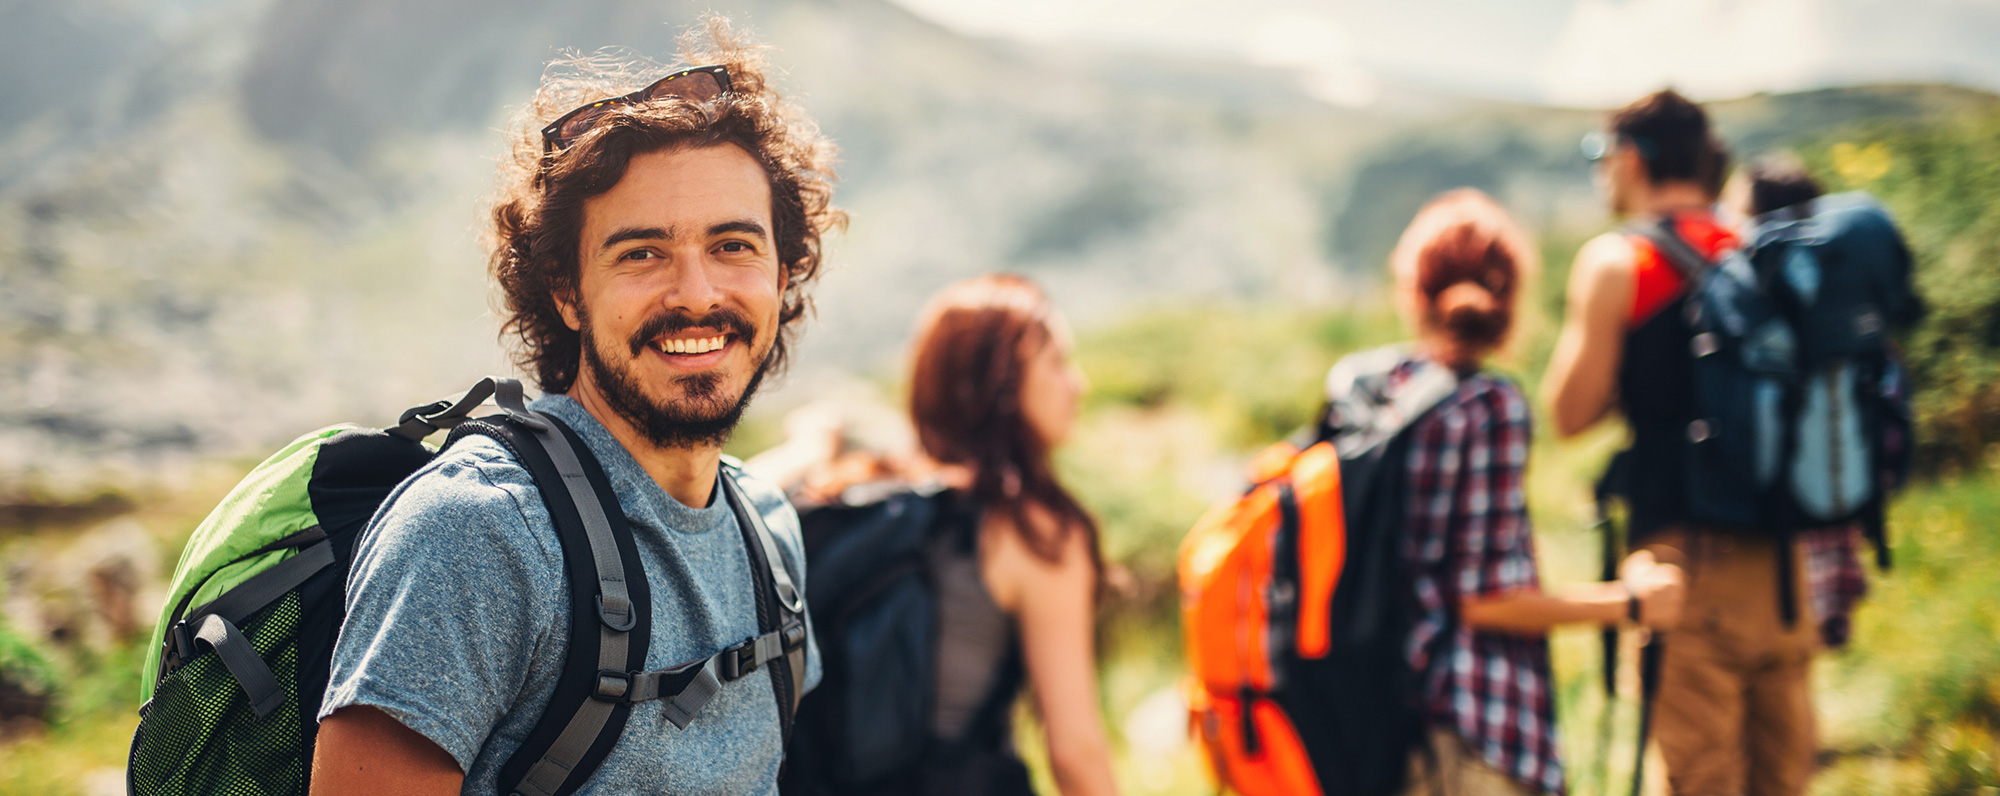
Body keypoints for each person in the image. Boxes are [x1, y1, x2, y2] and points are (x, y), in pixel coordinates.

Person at [310, 19, 843, 796]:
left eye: (734, 245)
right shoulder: (481, 533)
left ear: (784, 271)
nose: (697, 293)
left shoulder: (768, 533)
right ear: (567, 292)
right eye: (642, 253)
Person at [1544, 90, 1819, 796]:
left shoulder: (1621, 261)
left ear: (1632, 159)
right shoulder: (1761, 249)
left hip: (1684, 568)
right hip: (1787, 566)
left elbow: (1569, 412)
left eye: (1603, 158)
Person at [1374, 189, 1684, 796]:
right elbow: (1485, 601)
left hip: (1382, 720)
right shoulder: (1488, 407)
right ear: (1510, 295)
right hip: (1471, 723)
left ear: (1414, 293)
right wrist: (1630, 605)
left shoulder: (1375, 387)